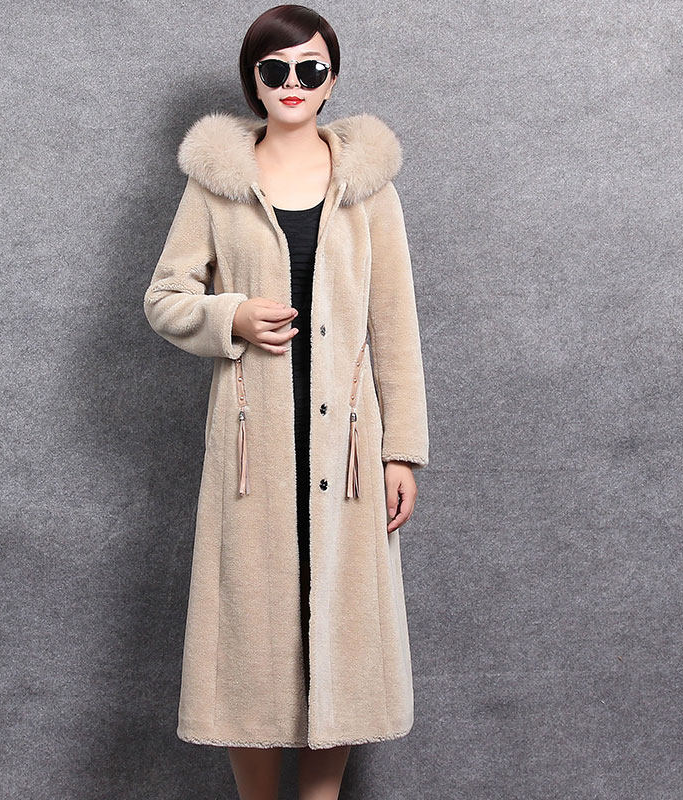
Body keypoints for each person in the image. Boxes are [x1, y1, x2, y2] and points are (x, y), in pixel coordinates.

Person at [143, 5, 429, 798]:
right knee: (254, 640)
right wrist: (230, 316)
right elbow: (165, 297)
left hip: (348, 450)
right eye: (276, 69)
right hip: (254, 451)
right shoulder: (218, 184)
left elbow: (394, 324)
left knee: (341, 629)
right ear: (254, 81)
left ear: (332, 80)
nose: (293, 83)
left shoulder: (368, 189)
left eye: (310, 69)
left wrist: (402, 452)